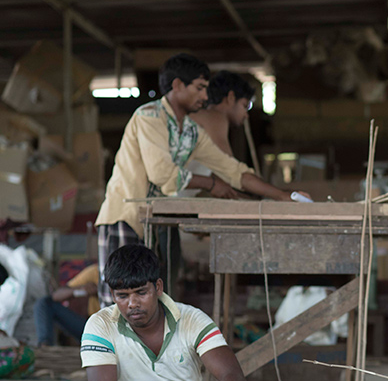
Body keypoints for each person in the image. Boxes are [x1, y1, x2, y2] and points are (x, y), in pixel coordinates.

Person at [94, 53, 310, 307]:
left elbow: (232, 170)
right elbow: (162, 173)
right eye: (199, 88)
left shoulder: (191, 132)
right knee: (118, 301)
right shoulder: (149, 117)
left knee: (151, 303)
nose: (206, 97)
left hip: (154, 222)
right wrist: (210, 184)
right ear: (177, 86)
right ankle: (110, 348)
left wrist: (284, 196)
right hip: (126, 216)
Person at [81, 245, 304, 381]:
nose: (132, 304)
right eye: (122, 296)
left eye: (141, 292)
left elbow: (233, 377)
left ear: (158, 287)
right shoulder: (100, 326)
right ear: (112, 295)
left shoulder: (190, 318)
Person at [189, 70, 254, 157]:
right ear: (231, 97)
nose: (246, 115)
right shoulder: (215, 118)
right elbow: (227, 167)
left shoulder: (200, 117)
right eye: (245, 106)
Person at [33, 263, 98, 346]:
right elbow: (57, 296)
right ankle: (45, 348)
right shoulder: (96, 272)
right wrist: (81, 289)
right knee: (44, 303)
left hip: (113, 332)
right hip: (92, 329)